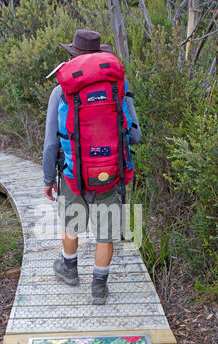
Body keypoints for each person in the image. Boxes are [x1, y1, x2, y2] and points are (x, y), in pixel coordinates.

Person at [42, 29, 141, 304]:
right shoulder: (117, 88)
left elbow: (51, 143)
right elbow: (135, 136)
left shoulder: (61, 91)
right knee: (106, 234)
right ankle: (99, 287)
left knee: (71, 224)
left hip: (74, 175)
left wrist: (49, 178)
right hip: (109, 174)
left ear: (72, 55)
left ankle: (69, 269)